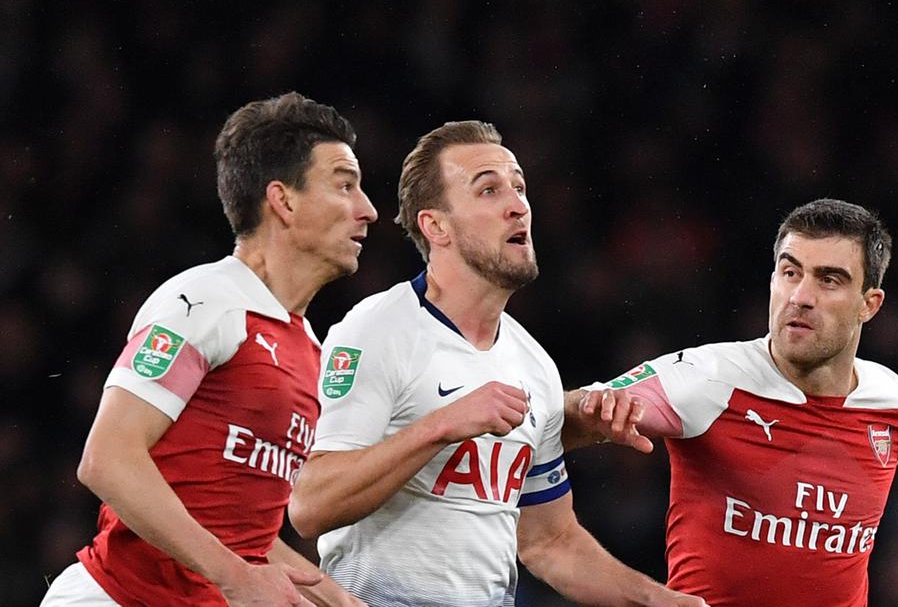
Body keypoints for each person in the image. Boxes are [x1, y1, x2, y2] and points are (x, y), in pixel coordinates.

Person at [288, 121, 705, 607]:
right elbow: (311, 505)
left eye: (519, 188)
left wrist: (663, 602)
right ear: (436, 226)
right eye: (489, 189)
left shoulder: (533, 365)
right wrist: (440, 425)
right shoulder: (378, 331)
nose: (518, 204)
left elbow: (550, 543)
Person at [42, 93, 377, 607]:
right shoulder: (206, 300)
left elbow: (243, 534)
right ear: (283, 201)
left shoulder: (307, 349)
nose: (368, 210)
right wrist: (235, 577)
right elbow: (107, 459)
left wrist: (338, 600)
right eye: (345, 186)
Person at [564, 198, 898, 607]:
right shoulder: (707, 378)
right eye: (791, 273)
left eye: (829, 280)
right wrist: (589, 416)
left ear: (869, 304)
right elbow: (567, 416)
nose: (801, 296)